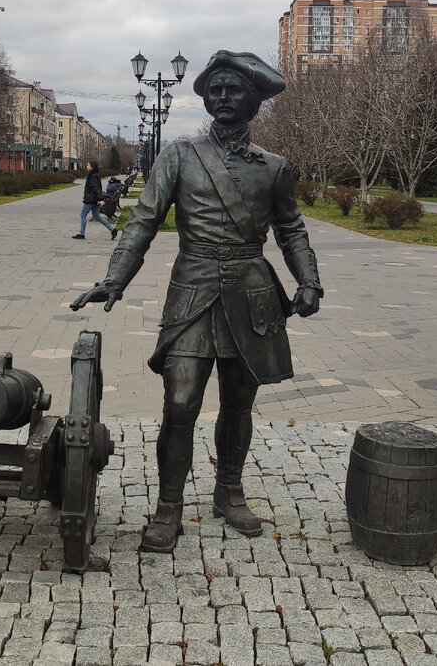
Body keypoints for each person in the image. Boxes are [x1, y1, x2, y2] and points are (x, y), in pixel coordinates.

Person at [71, 50, 322, 553]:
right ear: (205, 98)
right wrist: (114, 280)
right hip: (193, 291)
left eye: (234, 90)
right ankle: (168, 506)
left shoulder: (273, 168)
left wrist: (309, 280)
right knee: (180, 401)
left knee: (239, 402)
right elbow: (142, 219)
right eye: (216, 90)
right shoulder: (179, 155)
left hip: (252, 296)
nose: (224, 97)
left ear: (252, 101)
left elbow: (291, 228)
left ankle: (229, 491)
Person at [72, 160, 118, 240]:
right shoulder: (94, 175)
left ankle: (82, 233)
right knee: (97, 216)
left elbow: (97, 188)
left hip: (91, 199)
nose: (87, 166)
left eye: (88, 165)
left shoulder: (93, 176)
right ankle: (113, 230)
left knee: (83, 215)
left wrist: (101, 199)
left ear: (92, 166)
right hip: (94, 199)